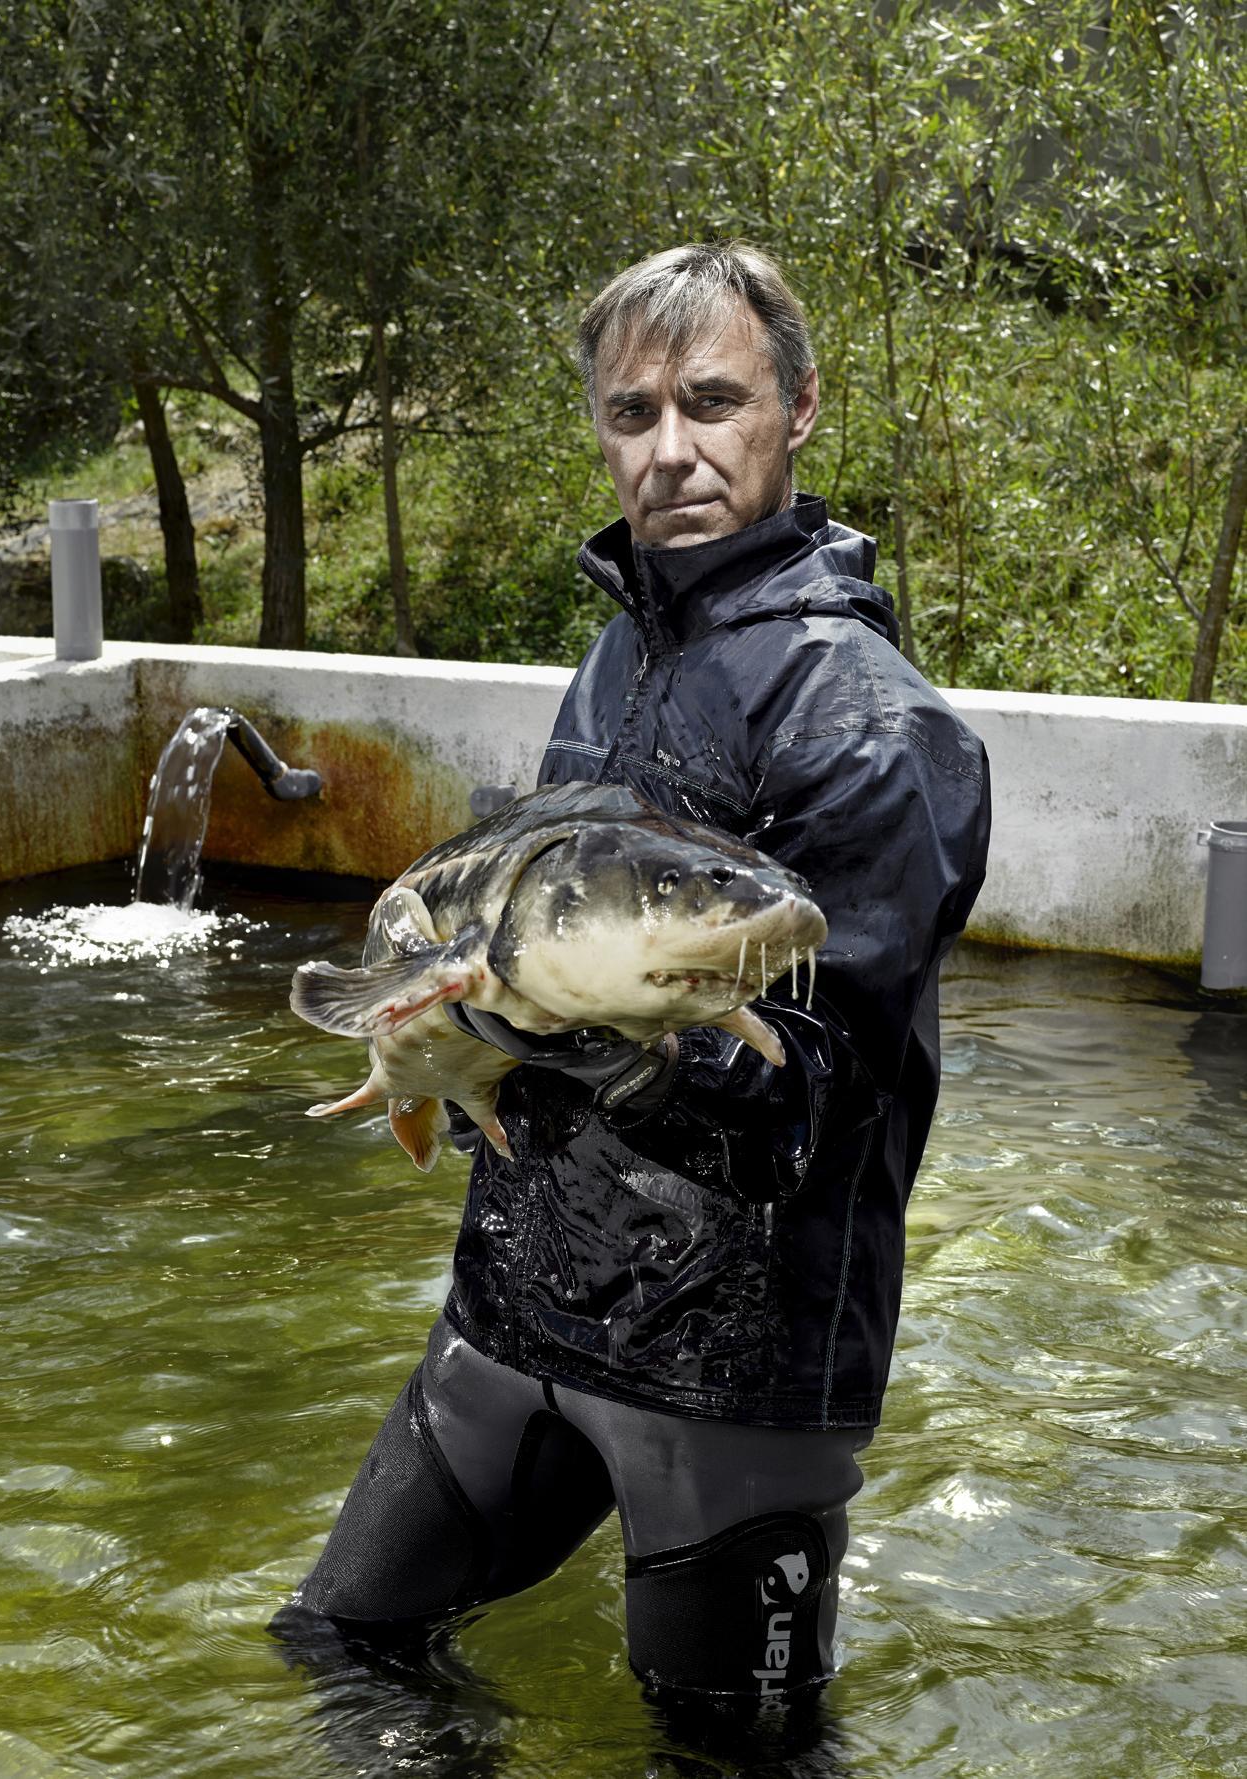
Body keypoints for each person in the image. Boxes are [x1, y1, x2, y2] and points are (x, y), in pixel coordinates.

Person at [273, 243, 991, 1767]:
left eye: (712, 402)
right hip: (518, 1308)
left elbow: (811, 1108)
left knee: (727, 1758)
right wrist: (453, 1028)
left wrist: (576, 1038)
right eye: (631, 411)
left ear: (798, 408)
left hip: (732, 1380)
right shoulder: (617, 654)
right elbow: (524, 952)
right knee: (344, 1648)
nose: (669, 450)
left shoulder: (872, 726)